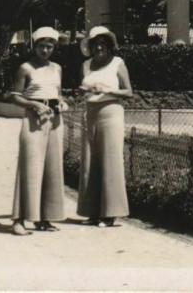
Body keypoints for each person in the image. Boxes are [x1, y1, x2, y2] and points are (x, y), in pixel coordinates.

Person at [9, 26, 67, 235]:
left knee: (52, 168)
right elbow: (14, 95)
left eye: (49, 46)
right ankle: (19, 220)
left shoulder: (57, 68)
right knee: (29, 168)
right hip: (33, 120)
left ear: (54, 47)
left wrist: (62, 103)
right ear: (34, 46)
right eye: (41, 46)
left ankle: (44, 219)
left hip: (54, 120)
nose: (45, 50)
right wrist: (34, 105)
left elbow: (58, 94)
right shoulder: (25, 68)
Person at [77, 26, 132, 228]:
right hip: (89, 113)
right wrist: (84, 90)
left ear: (109, 46)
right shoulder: (85, 65)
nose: (99, 48)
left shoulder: (117, 63)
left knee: (111, 161)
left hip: (111, 113)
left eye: (103, 44)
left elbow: (128, 92)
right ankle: (92, 212)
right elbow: (83, 89)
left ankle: (110, 214)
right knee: (90, 161)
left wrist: (108, 90)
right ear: (90, 47)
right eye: (95, 44)